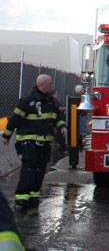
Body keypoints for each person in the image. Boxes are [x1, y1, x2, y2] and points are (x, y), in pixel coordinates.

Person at [2, 74, 67, 210]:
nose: (51, 85)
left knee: (40, 171)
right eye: (49, 83)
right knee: (29, 170)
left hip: (44, 143)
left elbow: (57, 117)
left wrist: (62, 126)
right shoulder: (27, 100)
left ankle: (33, 196)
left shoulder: (50, 101)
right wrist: (6, 135)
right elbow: (15, 119)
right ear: (42, 84)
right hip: (28, 142)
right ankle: (21, 199)